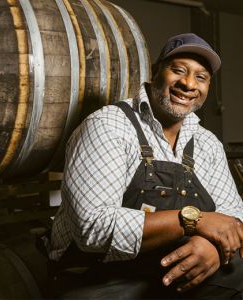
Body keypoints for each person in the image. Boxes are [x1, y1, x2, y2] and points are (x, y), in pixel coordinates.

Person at [46, 33, 243, 299]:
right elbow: (92, 228)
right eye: (179, 70)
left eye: (201, 77)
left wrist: (212, 249)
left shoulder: (207, 143)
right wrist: (194, 221)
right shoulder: (108, 126)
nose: (188, 84)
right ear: (155, 71)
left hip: (174, 268)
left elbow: (234, 217)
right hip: (99, 278)